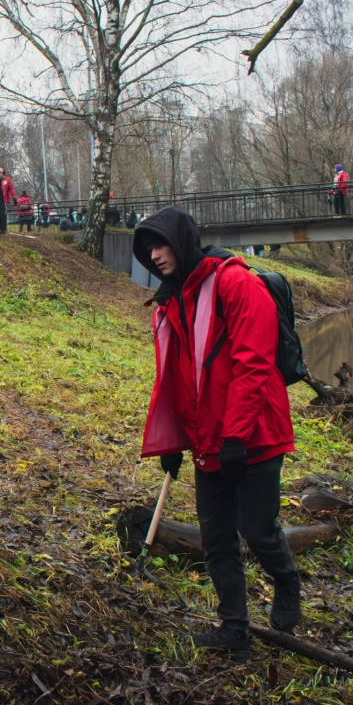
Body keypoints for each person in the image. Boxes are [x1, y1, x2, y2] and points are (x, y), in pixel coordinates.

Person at [134, 207, 298, 659]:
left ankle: (287, 583)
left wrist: (236, 437)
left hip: (256, 433)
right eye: (149, 248)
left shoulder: (235, 282)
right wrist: (174, 442)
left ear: (182, 242)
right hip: (208, 437)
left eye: (161, 244)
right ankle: (234, 628)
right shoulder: (171, 300)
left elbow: (255, 363)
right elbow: (176, 376)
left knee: (257, 529)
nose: (155, 254)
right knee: (217, 537)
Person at [0, 167, 15, 235]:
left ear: (3, 172)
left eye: (1, 172)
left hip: (3, 199)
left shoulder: (7, 179)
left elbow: (11, 188)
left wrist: (14, 198)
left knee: (2, 214)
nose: (0, 174)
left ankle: (3, 229)